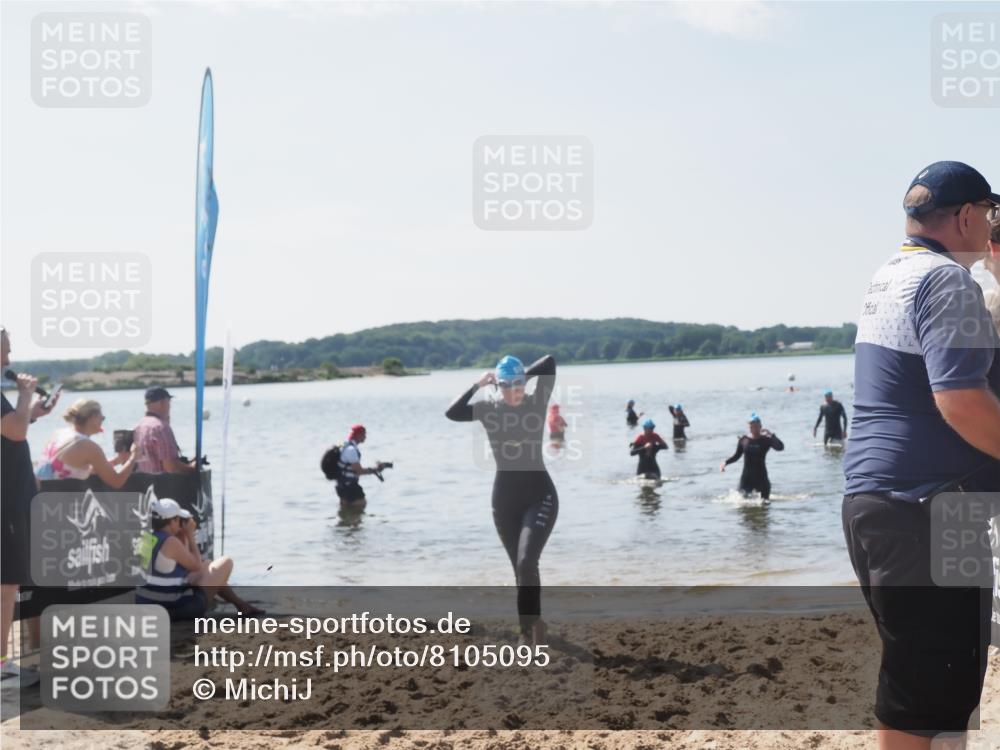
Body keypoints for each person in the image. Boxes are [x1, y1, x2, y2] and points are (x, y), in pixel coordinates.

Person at [843, 161, 1000, 747]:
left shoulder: (892, 273)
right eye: (986, 214)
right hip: (926, 506)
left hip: (877, 500)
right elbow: (960, 400)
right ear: (964, 216)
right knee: (926, 691)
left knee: (932, 687)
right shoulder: (947, 281)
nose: (989, 227)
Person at [446, 354, 558, 646]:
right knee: (520, 569)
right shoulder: (487, 408)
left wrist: (520, 375)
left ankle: (529, 633)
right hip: (504, 502)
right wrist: (478, 384)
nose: (515, 391)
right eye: (508, 386)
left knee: (526, 562)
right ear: (498, 387)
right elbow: (452, 412)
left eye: (519, 385)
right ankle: (533, 627)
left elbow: (549, 363)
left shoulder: (536, 401)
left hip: (540, 495)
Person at [1, 327, 60, 688]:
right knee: (6, 585)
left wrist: (31, 411)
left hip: (11, 499)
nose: (10, 354)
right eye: (6, 347)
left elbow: (13, 429)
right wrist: (24, 394)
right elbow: (15, 432)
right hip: (6, 503)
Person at [136, 498, 263, 619]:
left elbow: (179, 569)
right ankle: (241, 606)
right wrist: (190, 535)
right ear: (172, 521)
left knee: (208, 565)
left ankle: (241, 605)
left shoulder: (146, 537)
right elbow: (195, 565)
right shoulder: (170, 542)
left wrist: (183, 538)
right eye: (179, 519)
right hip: (175, 609)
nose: (181, 523)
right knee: (226, 562)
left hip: (147, 604)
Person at [36, 399, 138, 487]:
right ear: (92, 417)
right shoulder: (88, 446)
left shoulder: (59, 434)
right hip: (60, 503)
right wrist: (133, 457)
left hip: (40, 497)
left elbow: (78, 468)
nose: (103, 420)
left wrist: (117, 461)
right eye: (102, 417)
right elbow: (116, 481)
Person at [719, 412, 784, 500]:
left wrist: (772, 435)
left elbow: (780, 447)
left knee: (765, 506)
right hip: (746, 479)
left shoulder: (766, 440)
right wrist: (725, 463)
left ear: (760, 427)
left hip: (762, 479)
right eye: (751, 427)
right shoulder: (744, 440)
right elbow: (737, 456)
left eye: (756, 426)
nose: (754, 429)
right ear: (749, 427)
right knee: (741, 503)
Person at [133, 387, 196, 474]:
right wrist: (192, 467)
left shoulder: (138, 427)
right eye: (169, 402)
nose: (170, 406)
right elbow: (170, 467)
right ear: (162, 402)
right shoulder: (161, 428)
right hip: (163, 485)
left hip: (144, 485)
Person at [333, 424, 387, 511]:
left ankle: (346, 523)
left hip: (341, 486)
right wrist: (375, 470)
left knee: (345, 511)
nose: (365, 436)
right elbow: (358, 471)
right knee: (361, 507)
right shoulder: (351, 450)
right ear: (358, 435)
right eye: (364, 434)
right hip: (350, 486)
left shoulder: (343, 446)